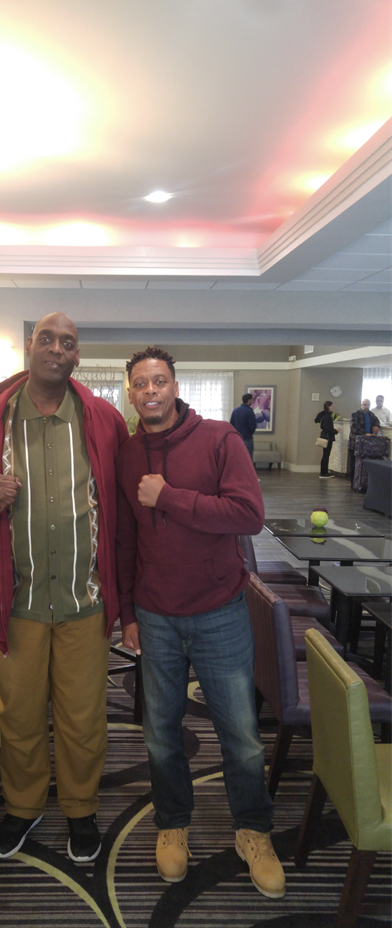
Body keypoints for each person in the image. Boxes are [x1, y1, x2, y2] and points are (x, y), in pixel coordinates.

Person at [0, 312, 128, 863]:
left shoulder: (103, 420)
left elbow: (119, 509)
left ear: (76, 357)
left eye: (67, 343)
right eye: (46, 338)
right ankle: (21, 807)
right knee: (19, 714)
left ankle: (80, 808)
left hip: (83, 601)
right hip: (15, 605)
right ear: (29, 347)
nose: (55, 349)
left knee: (83, 716)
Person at [116, 346, 285, 899]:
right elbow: (125, 539)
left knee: (241, 736)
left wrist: (171, 496)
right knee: (161, 734)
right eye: (139, 383)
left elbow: (249, 515)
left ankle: (254, 832)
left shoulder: (218, 439)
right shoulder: (127, 453)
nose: (150, 391)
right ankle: (173, 824)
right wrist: (127, 613)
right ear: (131, 392)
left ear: (174, 385)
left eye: (158, 381)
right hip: (156, 617)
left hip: (219, 612)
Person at [347, 399, 380, 487]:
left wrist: (376, 426)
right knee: (354, 464)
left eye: (368, 405)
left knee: (364, 465)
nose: (366, 406)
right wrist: (365, 434)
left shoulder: (371, 414)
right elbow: (353, 427)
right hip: (355, 443)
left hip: (366, 444)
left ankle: (363, 483)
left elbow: (377, 421)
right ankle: (353, 483)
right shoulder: (355, 414)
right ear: (361, 405)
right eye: (365, 404)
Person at [314, 400, 338, 479]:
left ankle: (324, 472)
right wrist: (336, 431)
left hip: (325, 436)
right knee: (326, 455)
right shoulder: (327, 416)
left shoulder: (324, 415)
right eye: (332, 406)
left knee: (325, 455)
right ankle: (323, 473)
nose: (333, 407)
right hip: (328, 437)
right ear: (328, 407)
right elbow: (327, 428)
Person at [230, 393, 257, 461]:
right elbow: (252, 426)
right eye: (251, 400)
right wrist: (250, 432)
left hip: (237, 439)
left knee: (237, 459)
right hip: (247, 438)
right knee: (248, 460)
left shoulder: (235, 411)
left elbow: (231, 424)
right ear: (248, 400)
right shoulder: (250, 411)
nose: (252, 401)